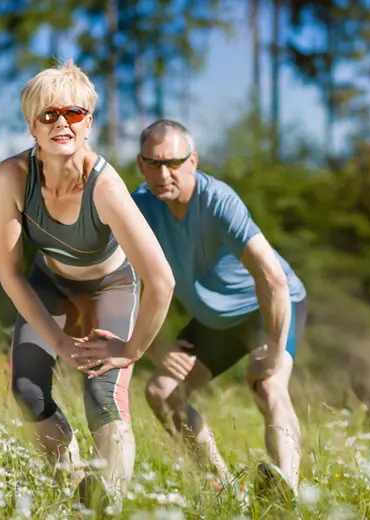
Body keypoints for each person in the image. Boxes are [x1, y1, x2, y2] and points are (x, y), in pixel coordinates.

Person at [0, 61, 175, 510]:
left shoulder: (105, 186)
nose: (61, 123)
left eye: (72, 113)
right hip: (50, 282)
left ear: (88, 122)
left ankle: (107, 501)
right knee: (28, 391)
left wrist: (130, 350)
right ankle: (75, 491)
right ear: (31, 126)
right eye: (47, 115)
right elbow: (11, 272)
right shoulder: (11, 177)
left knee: (101, 393)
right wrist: (56, 338)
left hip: (108, 286)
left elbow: (161, 280)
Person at [128, 119, 307, 502]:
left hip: (267, 306)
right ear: (141, 165)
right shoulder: (138, 207)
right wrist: (154, 343)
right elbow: (121, 281)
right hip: (215, 318)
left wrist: (274, 354)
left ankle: (284, 490)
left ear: (192, 161)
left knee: (269, 386)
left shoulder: (218, 201)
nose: (163, 173)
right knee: (162, 392)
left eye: (173, 163)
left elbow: (272, 280)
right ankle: (227, 492)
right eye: (153, 164)